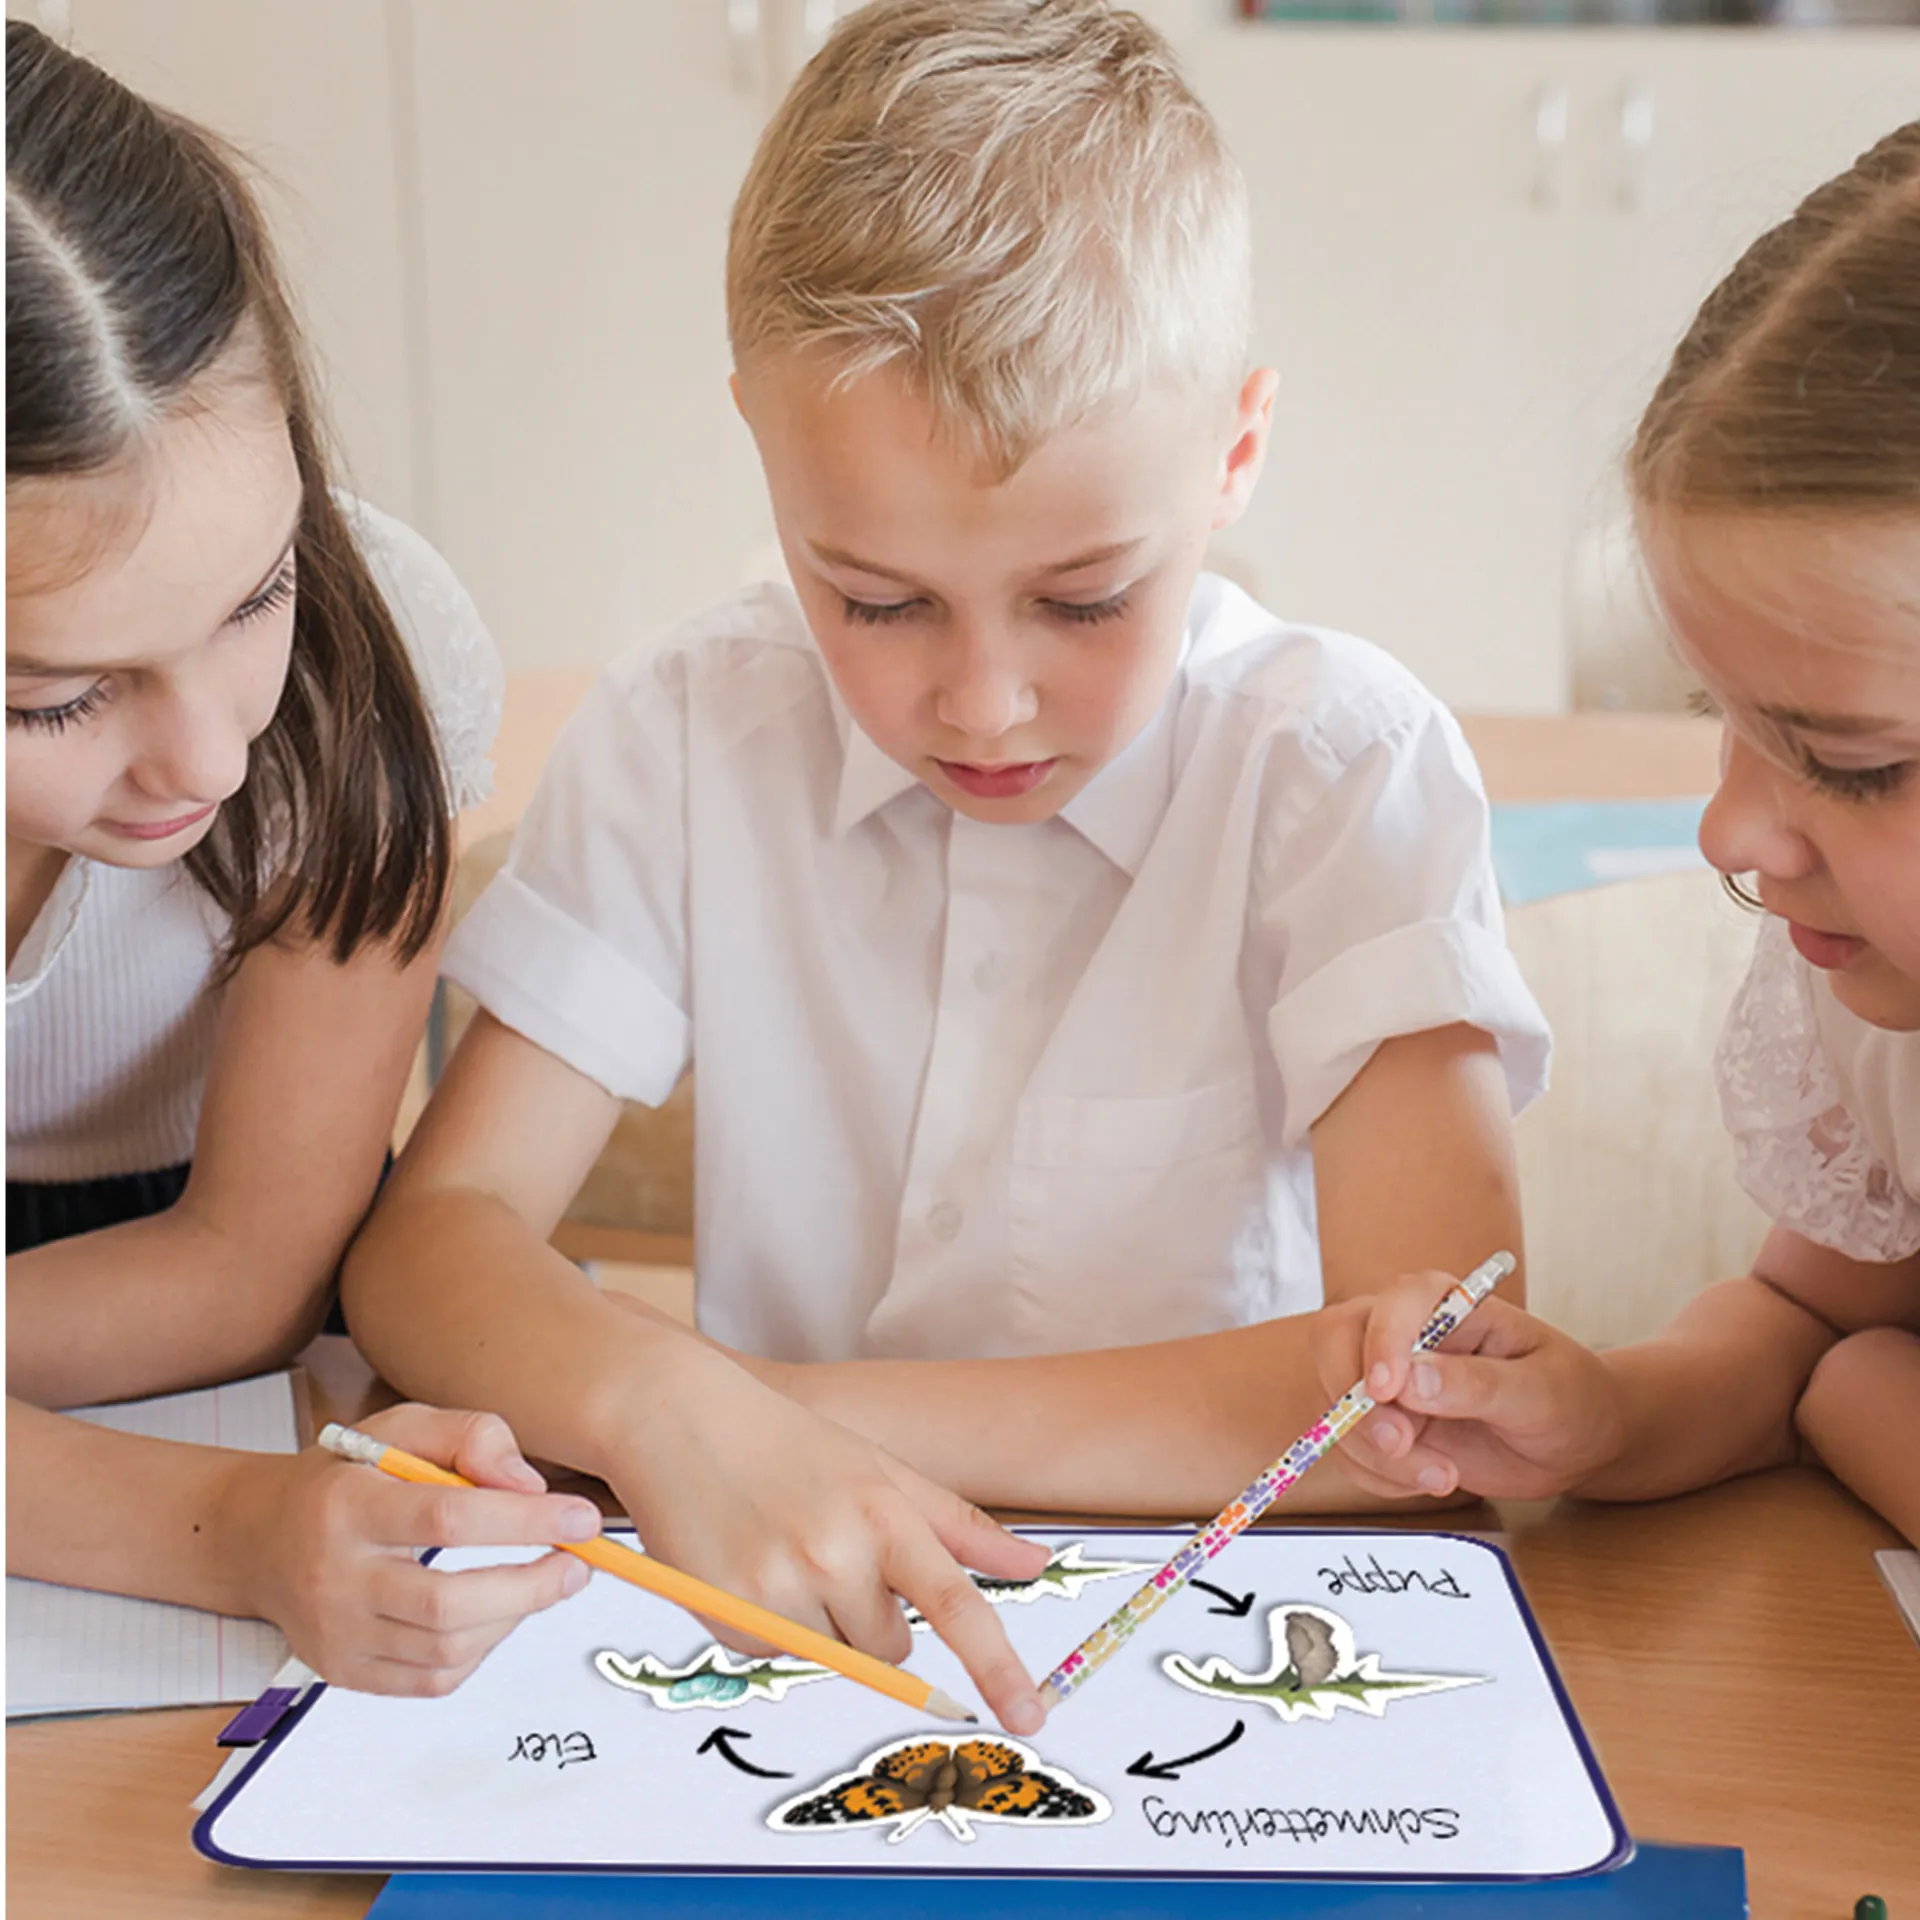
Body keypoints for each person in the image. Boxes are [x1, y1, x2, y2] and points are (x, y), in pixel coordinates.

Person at [344, 0, 1549, 1733]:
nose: (982, 700)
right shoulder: (688, 727)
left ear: (1235, 451)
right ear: (760, 438)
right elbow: (429, 1247)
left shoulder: (1339, 766)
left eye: (1084, 598)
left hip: (1213, 1635)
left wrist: (745, 1410)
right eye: (875, 599)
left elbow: (1419, 1407)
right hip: (791, 1624)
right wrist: (684, 1419)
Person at [5, 21, 603, 1697]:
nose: (207, 756)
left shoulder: (373, 661)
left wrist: (258, 1521)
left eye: (253, 593)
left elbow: (247, 1269)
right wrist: (229, 1526)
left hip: (205, 1298)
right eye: (55, 698)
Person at [1320, 123, 1920, 1548]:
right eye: (1722, 714)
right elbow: (1802, 1320)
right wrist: (1610, 1413)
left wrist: (1863, 1399)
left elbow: (1843, 1368)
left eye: (1854, 764)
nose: (1728, 828)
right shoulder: (1878, 1008)